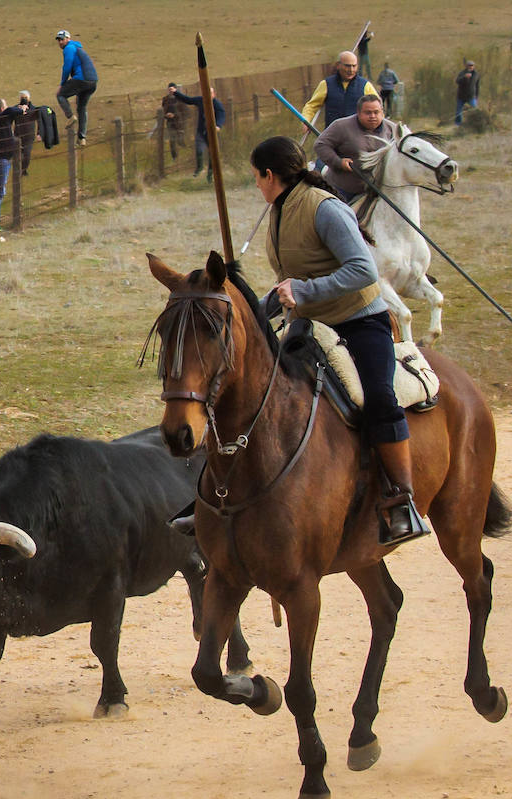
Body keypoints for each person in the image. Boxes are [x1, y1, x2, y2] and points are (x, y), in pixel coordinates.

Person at [250, 135, 428, 547]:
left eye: (257, 178)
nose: (257, 185)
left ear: (270, 175)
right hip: (312, 325)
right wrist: (253, 313)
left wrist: (304, 293)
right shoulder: (278, 211)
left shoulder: (325, 209)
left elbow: (363, 272)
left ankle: (402, 499)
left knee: (380, 398)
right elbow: (290, 281)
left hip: (360, 322)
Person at [314, 94, 395, 201]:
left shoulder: (392, 129)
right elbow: (320, 144)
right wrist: (338, 162)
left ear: (382, 112)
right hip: (344, 189)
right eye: (368, 113)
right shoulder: (341, 126)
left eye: (376, 112)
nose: (372, 116)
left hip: (379, 190)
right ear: (358, 112)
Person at [301, 51, 379, 128]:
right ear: (338, 65)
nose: (351, 70)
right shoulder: (326, 84)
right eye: (347, 66)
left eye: (354, 66)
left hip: (357, 135)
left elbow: (378, 109)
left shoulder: (365, 85)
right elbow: (311, 106)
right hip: (332, 135)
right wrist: (306, 121)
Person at [0, 98, 27, 231]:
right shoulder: (2, 118)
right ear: (2, 109)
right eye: (5, 105)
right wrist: (22, 109)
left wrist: (16, 108)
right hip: (0, 161)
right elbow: (11, 111)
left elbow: (9, 111)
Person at [54, 29, 97, 146]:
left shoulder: (69, 48)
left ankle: (70, 117)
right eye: (58, 40)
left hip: (81, 79)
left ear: (68, 39)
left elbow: (67, 66)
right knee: (82, 108)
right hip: (92, 82)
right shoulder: (78, 48)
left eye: (62, 39)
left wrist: (62, 84)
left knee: (60, 95)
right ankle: (82, 138)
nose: (60, 42)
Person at [173, 86, 226, 180]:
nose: (208, 95)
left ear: (214, 94)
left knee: (212, 154)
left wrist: (218, 125)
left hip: (212, 133)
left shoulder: (217, 104)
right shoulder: (200, 100)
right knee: (199, 149)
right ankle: (199, 168)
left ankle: (210, 173)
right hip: (201, 131)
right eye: (206, 93)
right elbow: (188, 100)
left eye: (210, 93)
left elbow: (221, 115)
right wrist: (175, 92)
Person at [13, 90, 40, 176]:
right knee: (17, 155)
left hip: (29, 136)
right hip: (17, 136)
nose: (24, 99)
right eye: (22, 97)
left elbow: (40, 121)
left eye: (25, 97)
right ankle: (17, 171)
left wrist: (39, 133)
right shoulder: (15, 109)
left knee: (27, 154)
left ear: (29, 98)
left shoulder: (34, 109)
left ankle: (23, 170)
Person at [160, 82, 188, 161]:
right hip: (170, 122)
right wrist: (166, 115)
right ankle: (174, 157)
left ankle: (186, 153)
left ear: (176, 89)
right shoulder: (165, 99)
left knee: (180, 140)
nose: (171, 91)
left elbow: (186, 113)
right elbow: (163, 110)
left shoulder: (181, 99)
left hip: (180, 123)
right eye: (169, 89)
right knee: (172, 140)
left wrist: (175, 115)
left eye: (172, 89)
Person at [455, 60, 480, 125]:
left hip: (471, 96)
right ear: (466, 66)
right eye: (469, 65)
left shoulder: (476, 74)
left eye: (472, 65)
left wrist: (476, 96)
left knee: (474, 111)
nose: (470, 67)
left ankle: (474, 125)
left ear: (474, 66)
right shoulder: (462, 73)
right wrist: (464, 77)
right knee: (459, 112)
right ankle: (457, 126)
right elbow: (457, 81)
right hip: (461, 96)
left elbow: (477, 86)